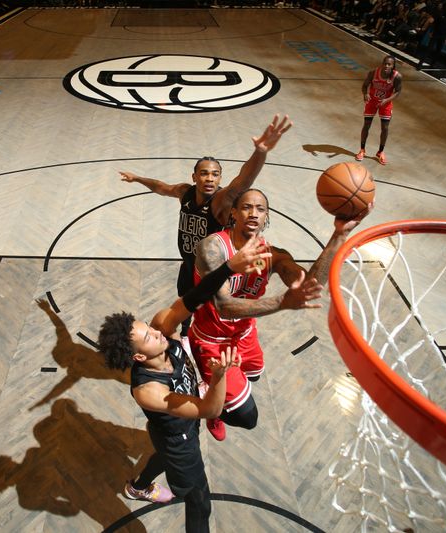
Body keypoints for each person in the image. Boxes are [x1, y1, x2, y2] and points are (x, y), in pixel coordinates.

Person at [97, 236, 272, 533]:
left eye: (149, 327)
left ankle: (138, 487)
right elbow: (208, 409)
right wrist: (216, 378)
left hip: (173, 429)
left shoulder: (163, 330)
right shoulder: (148, 391)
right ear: (139, 356)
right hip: (180, 442)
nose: (156, 331)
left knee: (160, 450)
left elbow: (194, 297)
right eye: (149, 336)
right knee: (199, 501)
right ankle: (142, 487)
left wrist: (229, 266)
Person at [190, 188, 372, 441]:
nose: (254, 213)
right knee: (246, 417)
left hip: (244, 334)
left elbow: (309, 284)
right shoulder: (212, 248)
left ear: (267, 217)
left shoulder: (274, 255)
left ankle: (219, 392)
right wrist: (282, 302)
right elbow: (224, 306)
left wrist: (339, 234)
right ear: (233, 212)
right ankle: (211, 405)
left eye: (260, 209)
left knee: (254, 375)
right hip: (211, 339)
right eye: (246, 207)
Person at [119, 114, 292, 335]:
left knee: (207, 309)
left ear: (220, 179)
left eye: (215, 174)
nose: (210, 178)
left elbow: (243, 182)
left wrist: (261, 152)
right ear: (194, 177)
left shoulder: (220, 202)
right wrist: (137, 178)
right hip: (188, 263)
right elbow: (161, 187)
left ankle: (214, 338)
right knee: (183, 304)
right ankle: (183, 335)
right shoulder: (185, 192)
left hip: (212, 269)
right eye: (204, 173)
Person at [355, 55, 402, 165]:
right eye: (385, 63)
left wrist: (387, 100)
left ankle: (380, 152)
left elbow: (398, 91)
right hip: (372, 101)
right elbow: (364, 85)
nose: (386, 65)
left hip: (385, 103)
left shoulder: (397, 76)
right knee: (366, 124)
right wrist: (365, 93)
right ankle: (362, 150)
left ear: (393, 66)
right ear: (382, 63)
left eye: (389, 64)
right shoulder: (373, 72)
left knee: (385, 128)